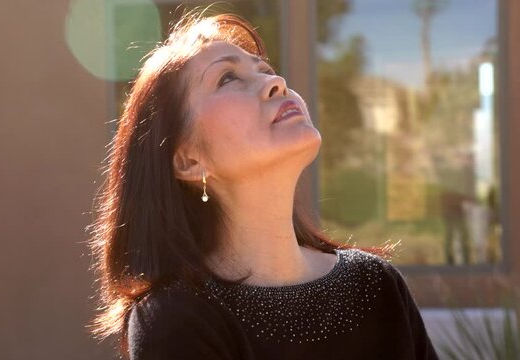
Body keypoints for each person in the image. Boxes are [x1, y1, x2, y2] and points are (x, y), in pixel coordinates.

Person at [87, 11, 439, 360]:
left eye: (266, 70)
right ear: (189, 160)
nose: (277, 83)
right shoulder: (175, 319)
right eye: (227, 78)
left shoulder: (375, 285)